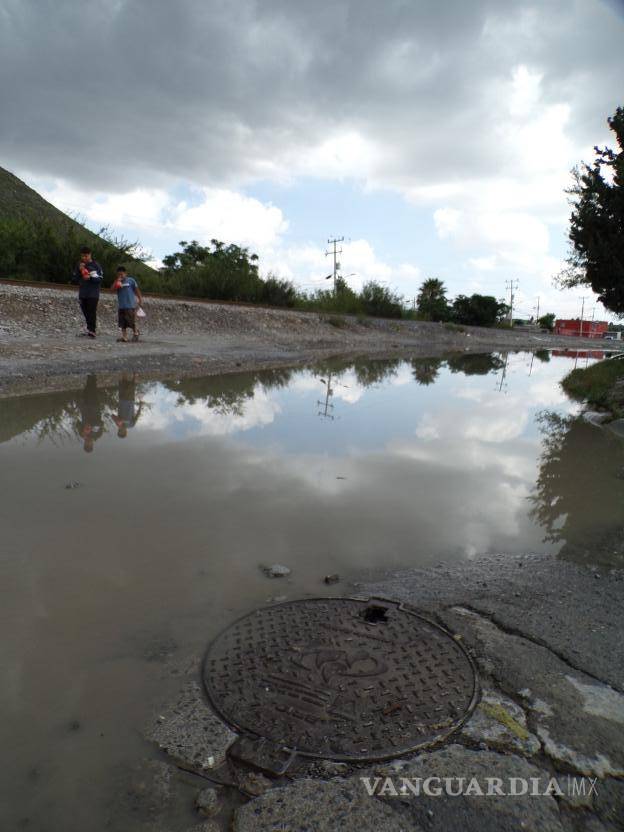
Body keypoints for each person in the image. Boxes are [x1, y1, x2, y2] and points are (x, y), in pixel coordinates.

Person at [72, 246, 103, 337]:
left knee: (91, 311)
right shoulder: (79, 265)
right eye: (82, 256)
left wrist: (90, 277)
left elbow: (100, 279)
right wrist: (80, 270)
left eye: (86, 256)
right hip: (83, 293)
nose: (84, 258)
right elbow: (74, 278)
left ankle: (92, 330)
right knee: (85, 311)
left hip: (93, 293)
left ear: (90, 255)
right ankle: (89, 329)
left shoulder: (96, 265)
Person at [111, 266, 143, 342]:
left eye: (122, 274)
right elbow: (112, 290)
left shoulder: (131, 280)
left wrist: (140, 299)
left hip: (130, 305)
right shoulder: (117, 282)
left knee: (131, 321)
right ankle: (124, 337)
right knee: (122, 323)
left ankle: (136, 333)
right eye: (119, 274)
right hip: (121, 305)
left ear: (125, 273)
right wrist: (116, 282)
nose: (120, 276)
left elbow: (137, 290)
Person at [74, 374, 104, 452]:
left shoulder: (82, 435)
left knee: (86, 390)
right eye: (89, 445)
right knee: (93, 390)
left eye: (86, 444)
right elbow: (101, 423)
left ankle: (90, 376)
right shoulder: (98, 435)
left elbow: (77, 423)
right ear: (92, 444)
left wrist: (82, 430)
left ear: (84, 444)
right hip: (94, 407)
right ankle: (93, 376)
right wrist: (91, 425)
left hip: (84, 407)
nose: (88, 443)